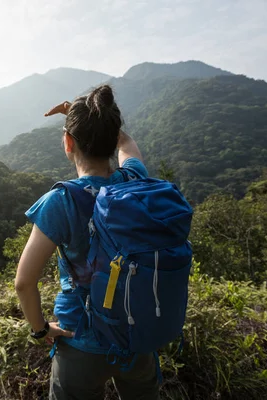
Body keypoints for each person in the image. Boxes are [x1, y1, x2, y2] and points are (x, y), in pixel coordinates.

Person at [15, 85, 160, 400]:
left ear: (68, 142)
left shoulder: (60, 201)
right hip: (136, 336)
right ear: (110, 139)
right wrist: (99, 122)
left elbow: (24, 282)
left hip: (80, 340)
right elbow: (128, 144)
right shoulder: (133, 181)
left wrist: (41, 330)